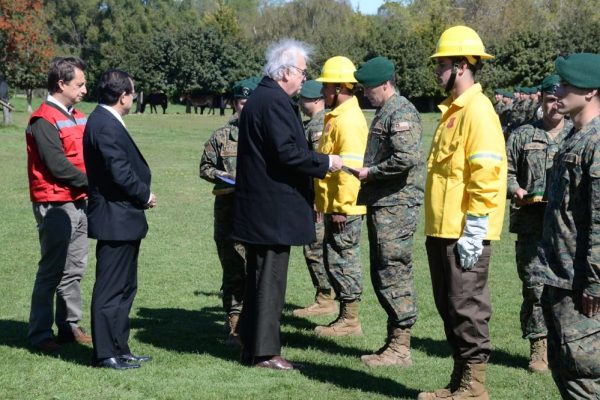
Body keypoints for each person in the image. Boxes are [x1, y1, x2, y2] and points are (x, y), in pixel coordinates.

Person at [232, 39, 342, 370]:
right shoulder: (273, 102)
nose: (304, 79)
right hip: (271, 209)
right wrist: (326, 163)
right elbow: (286, 153)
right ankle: (265, 352)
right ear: (286, 72)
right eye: (303, 71)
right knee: (269, 281)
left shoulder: (263, 98)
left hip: (262, 207)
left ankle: (252, 346)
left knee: (259, 278)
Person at [419, 26, 507, 400]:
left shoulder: (477, 110)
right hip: (442, 229)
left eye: (441, 64)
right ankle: (459, 381)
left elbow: (486, 172)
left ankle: (474, 387)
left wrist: (475, 227)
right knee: (450, 307)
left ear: (461, 65)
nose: (436, 70)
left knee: (467, 308)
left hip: (463, 231)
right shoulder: (453, 111)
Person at [352, 56, 424, 367]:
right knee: (383, 270)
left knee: (393, 270)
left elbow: (406, 158)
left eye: (369, 89)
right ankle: (393, 342)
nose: (365, 94)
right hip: (385, 203)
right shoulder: (387, 110)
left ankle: (400, 348)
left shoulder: (401, 111)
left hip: (397, 204)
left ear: (385, 84)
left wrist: (372, 173)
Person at [84, 69, 156, 370]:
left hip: (123, 218)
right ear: (123, 95)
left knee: (126, 287)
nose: (135, 96)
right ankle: (105, 353)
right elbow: (119, 171)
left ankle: (120, 347)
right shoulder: (103, 124)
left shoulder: (106, 120)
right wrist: (145, 194)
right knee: (111, 288)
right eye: (133, 91)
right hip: (115, 217)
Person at [541, 53, 600, 399]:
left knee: (585, 377)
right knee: (566, 370)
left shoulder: (595, 142)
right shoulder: (574, 138)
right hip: (561, 276)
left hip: (583, 286)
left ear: (590, 90)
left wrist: (595, 281)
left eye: (566, 83)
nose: (558, 89)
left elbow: (598, 219)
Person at [25, 56, 92, 352]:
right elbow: (57, 166)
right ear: (61, 83)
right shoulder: (43, 119)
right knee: (52, 270)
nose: (85, 90)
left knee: (75, 268)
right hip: (54, 204)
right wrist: (98, 184)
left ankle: (69, 325)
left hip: (78, 202)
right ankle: (40, 335)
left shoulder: (78, 115)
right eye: (80, 84)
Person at [506, 74, 570, 374]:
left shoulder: (577, 134)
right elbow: (503, 171)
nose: (555, 105)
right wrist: (516, 190)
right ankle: (539, 347)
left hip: (567, 227)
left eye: (560, 98)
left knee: (569, 286)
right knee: (534, 287)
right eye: (549, 99)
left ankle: (566, 346)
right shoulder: (522, 134)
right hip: (531, 224)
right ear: (541, 100)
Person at [199, 77, 259, 346]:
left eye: (250, 103)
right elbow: (205, 168)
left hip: (258, 214)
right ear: (235, 104)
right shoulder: (222, 136)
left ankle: (256, 320)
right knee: (233, 266)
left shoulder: (265, 134)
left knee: (256, 267)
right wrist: (221, 174)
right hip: (228, 212)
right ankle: (234, 321)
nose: (245, 107)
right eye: (241, 102)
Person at [312, 56, 368, 337]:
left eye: (327, 86)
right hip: (334, 203)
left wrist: (341, 207)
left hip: (344, 207)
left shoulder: (348, 121)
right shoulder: (337, 116)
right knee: (334, 259)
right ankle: (346, 317)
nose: (323, 92)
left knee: (343, 260)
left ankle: (350, 320)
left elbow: (349, 170)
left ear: (339, 87)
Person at [293, 79, 338, 318]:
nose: (300, 104)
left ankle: (325, 298)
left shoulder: (319, 126)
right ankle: (324, 296)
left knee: (314, 248)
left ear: (316, 100)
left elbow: (319, 166)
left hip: (316, 200)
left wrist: (315, 199)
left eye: (303, 100)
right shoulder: (315, 123)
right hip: (315, 198)